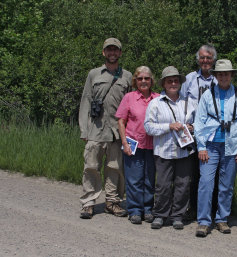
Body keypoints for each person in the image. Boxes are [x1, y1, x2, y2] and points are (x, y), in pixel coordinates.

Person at [194, 59, 237, 237]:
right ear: (216, 76)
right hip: (210, 144)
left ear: (231, 75)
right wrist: (201, 146)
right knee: (206, 183)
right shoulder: (207, 95)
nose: (223, 77)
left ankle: (222, 219)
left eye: (226, 73)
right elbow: (199, 122)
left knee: (226, 185)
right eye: (220, 74)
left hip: (232, 145)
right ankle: (203, 221)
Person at [78, 38, 132, 219]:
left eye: (115, 50)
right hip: (96, 129)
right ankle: (88, 203)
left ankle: (112, 201)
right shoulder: (94, 74)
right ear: (103, 52)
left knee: (114, 168)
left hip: (117, 132)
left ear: (120, 53)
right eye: (109, 50)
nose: (112, 53)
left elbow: (131, 104)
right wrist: (84, 129)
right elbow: (85, 101)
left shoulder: (127, 76)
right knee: (91, 167)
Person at [144, 66, 195, 230]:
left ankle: (177, 215)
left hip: (184, 151)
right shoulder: (155, 103)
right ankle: (160, 214)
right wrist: (169, 126)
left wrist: (192, 127)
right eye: (169, 81)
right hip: (164, 151)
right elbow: (149, 127)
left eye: (176, 80)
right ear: (164, 84)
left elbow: (198, 123)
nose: (173, 83)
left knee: (183, 184)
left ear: (180, 83)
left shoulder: (189, 103)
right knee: (163, 185)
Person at [115, 66, 159, 224]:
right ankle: (134, 210)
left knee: (149, 178)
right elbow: (121, 120)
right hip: (133, 143)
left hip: (153, 145)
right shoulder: (129, 97)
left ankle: (148, 209)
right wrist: (124, 142)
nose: (143, 81)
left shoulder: (158, 98)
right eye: (140, 78)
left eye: (147, 78)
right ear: (135, 81)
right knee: (134, 179)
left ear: (151, 81)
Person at [180, 44, 218, 219]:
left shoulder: (218, 80)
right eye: (202, 57)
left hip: (212, 134)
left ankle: (213, 209)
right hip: (191, 132)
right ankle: (192, 207)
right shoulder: (189, 79)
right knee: (192, 172)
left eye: (208, 58)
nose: (205, 61)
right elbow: (180, 102)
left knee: (212, 174)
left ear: (213, 60)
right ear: (198, 59)